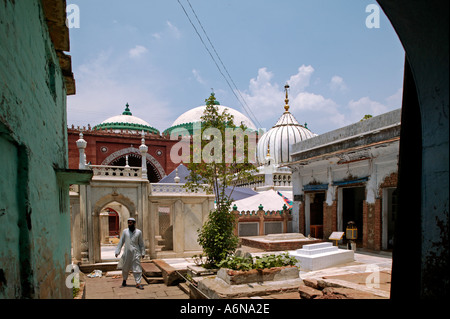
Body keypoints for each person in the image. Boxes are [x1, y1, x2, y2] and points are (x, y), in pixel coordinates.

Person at [115, 217, 145, 289]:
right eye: (128, 222)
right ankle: (124, 280)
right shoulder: (125, 231)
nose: (129, 224)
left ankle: (138, 283)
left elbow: (141, 243)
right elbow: (121, 242)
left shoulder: (138, 232)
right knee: (125, 267)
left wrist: (143, 252)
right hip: (127, 253)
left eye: (131, 222)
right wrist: (117, 251)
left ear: (134, 223)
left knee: (137, 268)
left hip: (136, 253)